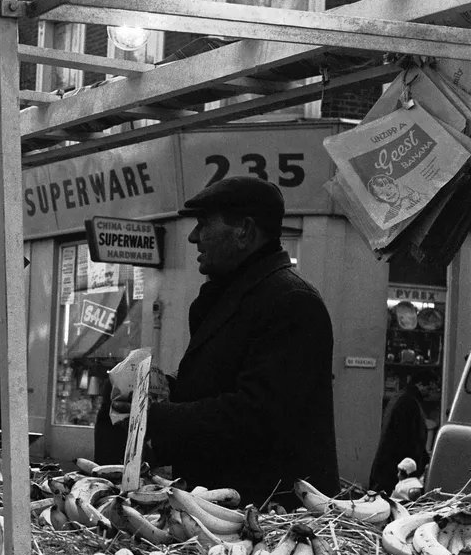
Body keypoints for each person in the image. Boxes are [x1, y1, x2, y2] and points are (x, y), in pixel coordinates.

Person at [134, 177, 339, 508]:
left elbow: (256, 416)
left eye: (204, 224)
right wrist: (159, 390)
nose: (193, 237)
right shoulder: (231, 297)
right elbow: (217, 390)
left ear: (244, 231)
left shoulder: (292, 302)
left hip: (270, 519)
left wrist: (156, 416)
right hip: (222, 509)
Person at [368, 377, 429, 495]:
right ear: (420, 384)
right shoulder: (411, 402)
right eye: (430, 387)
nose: (431, 392)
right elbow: (414, 438)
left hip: (386, 465)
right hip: (397, 466)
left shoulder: (400, 397)